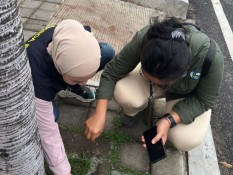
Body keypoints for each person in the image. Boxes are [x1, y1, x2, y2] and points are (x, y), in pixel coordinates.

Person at [85, 17, 224, 152]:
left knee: (186, 139)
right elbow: (112, 72)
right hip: (164, 77)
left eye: (160, 83)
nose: (156, 85)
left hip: (185, 93)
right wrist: (100, 113)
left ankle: (166, 113)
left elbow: (204, 101)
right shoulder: (146, 38)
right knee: (124, 94)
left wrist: (169, 120)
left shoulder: (210, 57)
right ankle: (138, 109)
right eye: (148, 77)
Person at [26, 19, 115, 175]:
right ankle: (68, 86)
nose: (86, 83)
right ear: (60, 69)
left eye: (88, 77)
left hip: (61, 68)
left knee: (107, 52)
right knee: (51, 116)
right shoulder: (37, 78)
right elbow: (48, 133)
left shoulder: (72, 33)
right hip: (37, 82)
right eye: (78, 80)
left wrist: (77, 77)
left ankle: (70, 85)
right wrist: (63, 170)